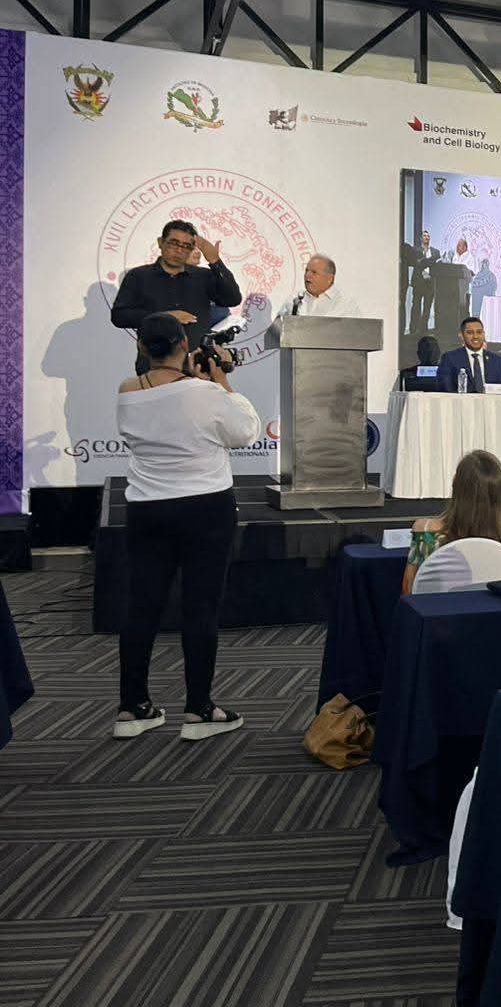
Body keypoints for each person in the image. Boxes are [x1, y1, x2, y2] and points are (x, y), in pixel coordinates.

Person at [113, 313, 261, 742]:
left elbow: (160, 406)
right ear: (183, 344)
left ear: (141, 347)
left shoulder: (127, 391)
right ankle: (198, 709)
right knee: (200, 609)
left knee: (141, 608)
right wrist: (222, 381)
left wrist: (197, 381)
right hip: (205, 509)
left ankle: (132, 707)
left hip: (147, 510)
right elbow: (245, 432)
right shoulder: (206, 392)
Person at [402, 450, 501, 594]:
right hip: (495, 609)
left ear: (455, 484)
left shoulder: (425, 532)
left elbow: (409, 590)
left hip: (438, 608)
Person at [109, 219, 242, 357]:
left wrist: (215, 261)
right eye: (174, 243)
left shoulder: (203, 276)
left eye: (186, 246)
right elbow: (119, 316)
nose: (179, 250)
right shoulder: (139, 276)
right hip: (155, 363)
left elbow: (232, 299)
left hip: (196, 363)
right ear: (161, 242)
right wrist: (164, 316)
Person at [274, 254, 362, 321]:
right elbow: (276, 331)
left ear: (329, 278)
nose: (307, 275)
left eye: (314, 272)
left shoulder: (345, 304)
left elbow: (355, 334)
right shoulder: (294, 300)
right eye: (306, 271)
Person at [436, 317, 501, 393]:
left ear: (484, 334)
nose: (475, 336)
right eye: (470, 332)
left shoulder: (497, 361)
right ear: (461, 335)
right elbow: (445, 389)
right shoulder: (449, 358)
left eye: (479, 332)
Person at [409, 229, 441, 331]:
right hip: (418, 282)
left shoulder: (435, 252)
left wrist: (425, 263)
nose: (426, 237)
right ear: (421, 238)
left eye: (428, 236)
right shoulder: (415, 250)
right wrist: (429, 261)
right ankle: (413, 329)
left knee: (427, 307)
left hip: (430, 282)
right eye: (424, 236)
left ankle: (423, 329)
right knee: (416, 306)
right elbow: (416, 263)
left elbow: (437, 265)